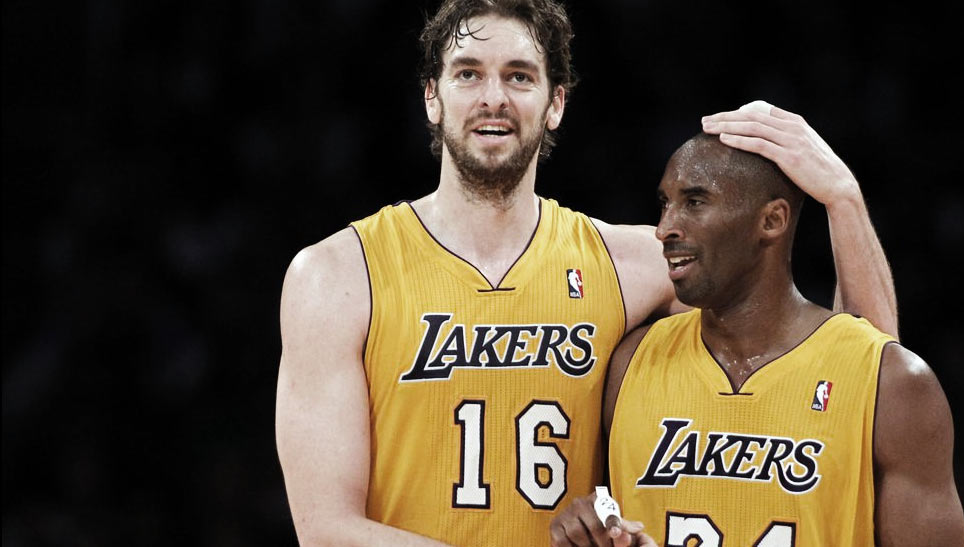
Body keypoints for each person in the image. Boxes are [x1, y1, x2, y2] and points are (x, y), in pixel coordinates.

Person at [275, 0, 899, 545]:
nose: (493, 97)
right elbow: (326, 530)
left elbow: (859, 383)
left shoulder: (631, 264)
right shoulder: (337, 275)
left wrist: (843, 200)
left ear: (555, 104)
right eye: (468, 74)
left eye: (519, 76)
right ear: (432, 98)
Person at [549, 133, 964, 546]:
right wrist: (590, 529)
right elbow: (603, 514)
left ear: (772, 221)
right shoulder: (631, 364)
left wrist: (843, 198)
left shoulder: (893, 382)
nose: (664, 228)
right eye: (665, 203)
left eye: (695, 202)